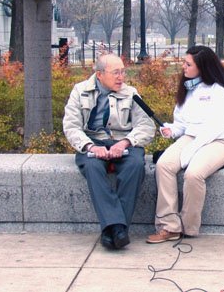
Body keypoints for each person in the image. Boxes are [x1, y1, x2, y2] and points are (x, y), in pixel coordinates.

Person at [146, 45, 224, 243]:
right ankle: (169, 227)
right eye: (184, 62)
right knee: (164, 165)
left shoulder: (219, 92)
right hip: (192, 137)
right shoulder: (188, 90)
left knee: (193, 173)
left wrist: (192, 151)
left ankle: (188, 227)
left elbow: (215, 127)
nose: (183, 67)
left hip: (221, 140)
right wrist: (171, 130)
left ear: (203, 67)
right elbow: (182, 125)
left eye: (188, 64)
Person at [63, 53, 155, 250]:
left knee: (136, 165)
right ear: (99, 75)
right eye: (115, 73)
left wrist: (125, 143)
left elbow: (146, 127)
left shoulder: (131, 93)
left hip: (123, 142)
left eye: (123, 72)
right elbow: (71, 127)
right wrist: (91, 147)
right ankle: (118, 229)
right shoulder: (79, 91)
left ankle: (111, 229)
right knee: (92, 167)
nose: (121, 77)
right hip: (92, 141)